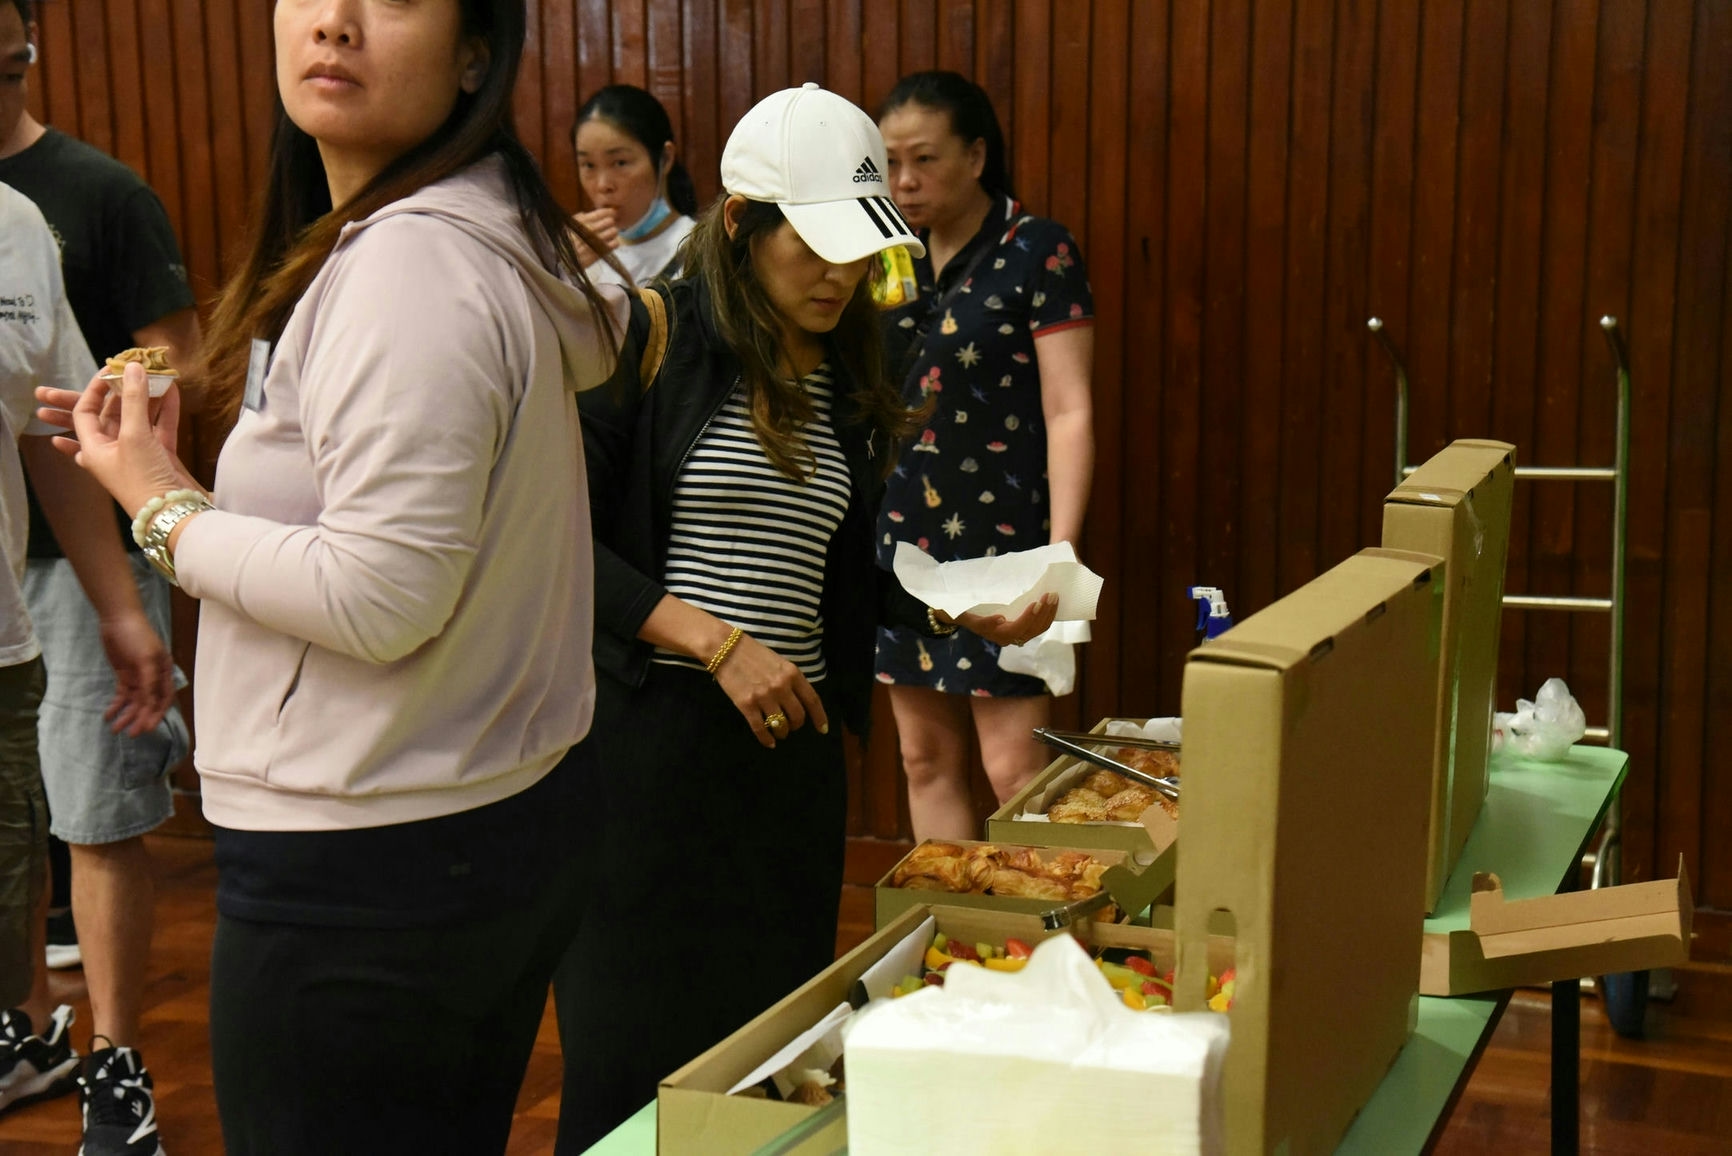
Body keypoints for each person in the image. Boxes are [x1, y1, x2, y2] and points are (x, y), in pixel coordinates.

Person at [34, 1, 624, 1151]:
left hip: (372, 857)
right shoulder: (457, 227)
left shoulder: (410, 261)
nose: (334, 24)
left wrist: (157, 505)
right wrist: (172, 466)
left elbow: (380, 593)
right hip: (462, 822)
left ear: (474, 53)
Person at [551, 82, 1055, 1153]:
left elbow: (837, 574)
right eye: (816, 246)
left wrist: (961, 608)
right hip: (646, 764)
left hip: (788, 767)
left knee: (764, 1076)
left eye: (859, 250)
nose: (840, 275)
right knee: (627, 1084)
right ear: (742, 223)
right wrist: (718, 643)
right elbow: (553, 547)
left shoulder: (846, 368)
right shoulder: (644, 334)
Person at [0, 1, 198, 1138]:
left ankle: (116, 1062)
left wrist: (124, 598)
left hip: (69, 565)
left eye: (8, 63)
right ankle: (26, 1029)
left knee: (93, 809)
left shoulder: (77, 200)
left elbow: (155, 363)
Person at [873, 71, 1096, 840]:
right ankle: (954, 912)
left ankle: (1036, 915)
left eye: (924, 159)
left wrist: (1061, 549)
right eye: (891, 162)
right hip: (903, 541)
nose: (905, 180)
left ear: (975, 156)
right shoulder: (885, 256)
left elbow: (1069, 409)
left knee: (1016, 770)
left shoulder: (1037, 249)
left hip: (1007, 541)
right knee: (924, 759)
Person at [570, 83, 698, 286]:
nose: (603, 185)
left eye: (620, 163)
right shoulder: (578, 253)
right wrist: (560, 270)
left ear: (665, 159)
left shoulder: (702, 252)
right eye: (588, 165)